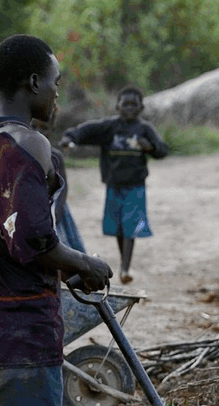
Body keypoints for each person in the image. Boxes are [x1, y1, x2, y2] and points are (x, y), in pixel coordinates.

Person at [0, 34, 112, 405]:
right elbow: (35, 239)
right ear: (35, 83)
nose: (57, 92)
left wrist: (68, 267)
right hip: (23, 339)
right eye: (55, 81)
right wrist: (86, 262)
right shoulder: (29, 143)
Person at [60, 86, 169, 285]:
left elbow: (162, 150)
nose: (129, 108)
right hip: (113, 186)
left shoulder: (145, 129)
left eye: (133, 104)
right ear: (117, 106)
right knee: (119, 228)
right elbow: (86, 130)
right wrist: (70, 137)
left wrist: (151, 147)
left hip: (135, 187)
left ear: (141, 107)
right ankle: (124, 263)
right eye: (125, 104)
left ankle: (126, 268)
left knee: (130, 227)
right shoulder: (110, 127)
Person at [34, 112, 86, 253]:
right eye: (34, 127)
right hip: (34, 213)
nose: (38, 132)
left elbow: (63, 188)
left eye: (44, 128)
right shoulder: (21, 154)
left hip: (55, 211)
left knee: (65, 250)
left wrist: (56, 215)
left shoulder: (56, 157)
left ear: (51, 130)